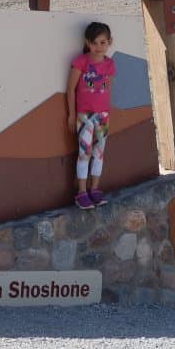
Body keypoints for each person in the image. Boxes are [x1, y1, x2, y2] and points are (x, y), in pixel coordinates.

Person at [66, 22, 116, 210]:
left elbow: (107, 88)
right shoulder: (81, 62)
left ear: (109, 42)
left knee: (99, 152)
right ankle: (81, 192)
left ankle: (95, 188)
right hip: (84, 116)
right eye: (94, 43)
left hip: (102, 116)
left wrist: (106, 111)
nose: (98, 47)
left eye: (103, 42)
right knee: (84, 152)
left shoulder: (110, 64)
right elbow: (71, 89)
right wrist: (72, 115)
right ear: (88, 42)